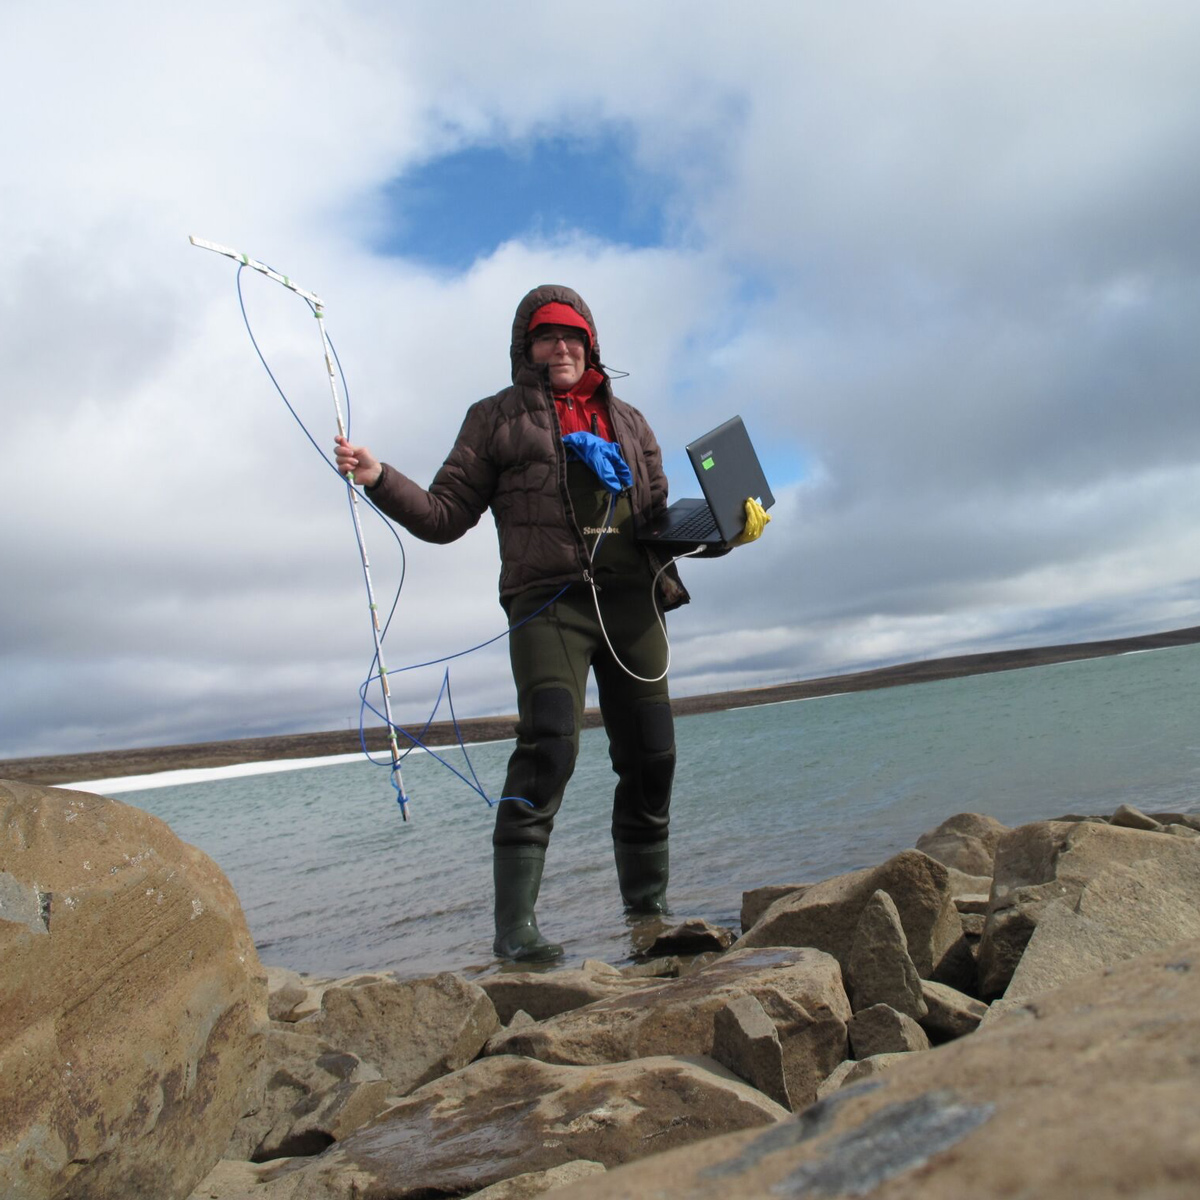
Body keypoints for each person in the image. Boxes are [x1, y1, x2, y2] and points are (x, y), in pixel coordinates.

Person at [335, 284, 691, 963]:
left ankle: (648, 916)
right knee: (549, 747)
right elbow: (444, 516)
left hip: (633, 604)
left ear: (591, 346)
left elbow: (657, 519)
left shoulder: (634, 424)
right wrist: (380, 476)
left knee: (653, 757)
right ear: (524, 347)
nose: (561, 347)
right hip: (548, 604)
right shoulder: (496, 419)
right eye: (546, 336)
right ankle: (515, 931)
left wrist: (722, 534)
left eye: (573, 337)